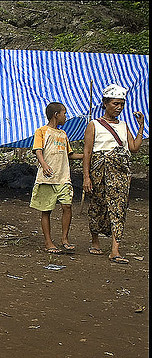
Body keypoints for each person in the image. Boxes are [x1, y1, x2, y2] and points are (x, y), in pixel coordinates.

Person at [82, 84, 146, 265]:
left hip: (120, 174)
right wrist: (86, 177)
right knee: (98, 205)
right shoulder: (94, 125)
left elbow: (133, 148)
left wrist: (141, 127)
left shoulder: (124, 126)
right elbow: (87, 152)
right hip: (99, 172)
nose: (119, 108)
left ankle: (115, 250)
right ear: (105, 104)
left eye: (121, 105)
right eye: (115, 104)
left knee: (119, 208)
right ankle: (95, 241)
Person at [29, 102, 84, 254]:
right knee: (46, 210)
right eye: (64, 113)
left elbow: (70, 155)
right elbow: (38, 151)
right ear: (56, 115)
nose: (66, 116)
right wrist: (44, 165)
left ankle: (64, 239)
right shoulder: (41, 131)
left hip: (63, 177)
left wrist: (86, 156)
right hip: (47, 178)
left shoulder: (63, 134)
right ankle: (48, 242)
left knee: (67, 206)